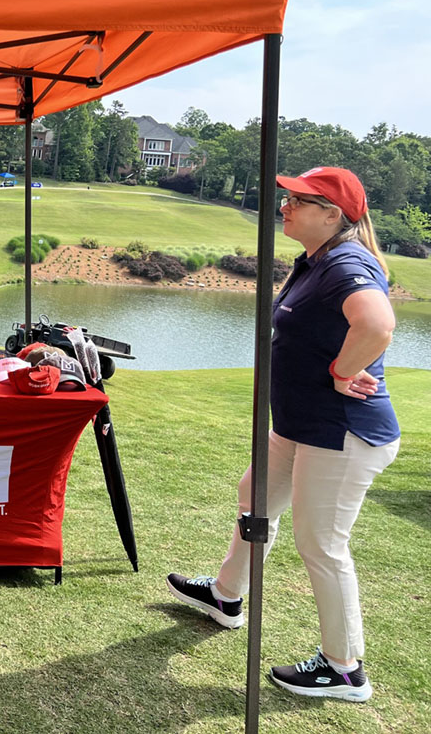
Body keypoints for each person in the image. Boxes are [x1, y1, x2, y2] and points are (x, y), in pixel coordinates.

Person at [166, 166, 400, 703]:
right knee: (256, 500)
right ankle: (226, 596)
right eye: (287, 197)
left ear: (332, 215)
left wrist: (342, 371)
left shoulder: (346, 262)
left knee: (322, 545)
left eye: (299, 200)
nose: (285, 206)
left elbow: (377, 325)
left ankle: (344, 670)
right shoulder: (316, 260)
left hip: (341, 433)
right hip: (299, 427)